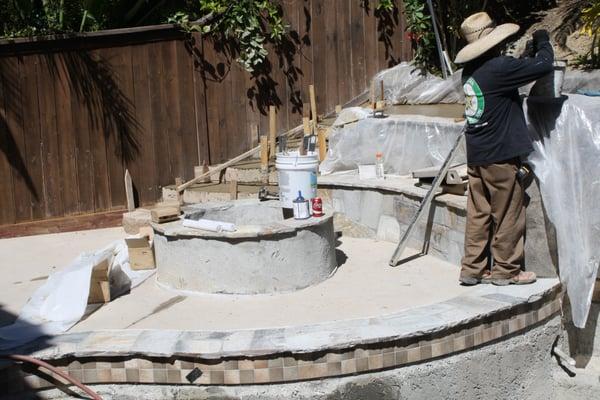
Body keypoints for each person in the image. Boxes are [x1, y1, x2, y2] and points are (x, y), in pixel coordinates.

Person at [453, 12, 554, 285]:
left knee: (479, 213)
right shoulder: (500, 68)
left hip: (477, 154)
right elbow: (544, 65)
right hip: (500, 155)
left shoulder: (470, 72)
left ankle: (473, 270)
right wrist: (543, 40)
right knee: (509, 211)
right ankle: (507, 271)